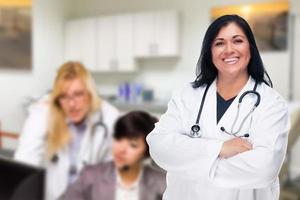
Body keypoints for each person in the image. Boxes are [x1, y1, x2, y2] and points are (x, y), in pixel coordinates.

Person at [146, 14, 290, 200]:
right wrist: (219, 148)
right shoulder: (187, 95)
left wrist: (188, 160)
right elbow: (158, 145)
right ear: (210, 51)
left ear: (251, 48)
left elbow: (264, 168)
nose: (229, 50)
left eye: (237, 41)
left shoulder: (271, 103)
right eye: (219, 43)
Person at [14, 61, 119, 200]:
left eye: (78, 94)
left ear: (90, 93)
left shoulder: (109, 117)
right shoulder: (45, 113)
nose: (71, 104)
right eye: (63, 96)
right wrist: (40, 115)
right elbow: (24, 163)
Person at [64, 111, 166, 200]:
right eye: (118, 139)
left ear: (146, 152)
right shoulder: (89, 176)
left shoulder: (162, 183)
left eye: (133, 145)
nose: (121, 149)